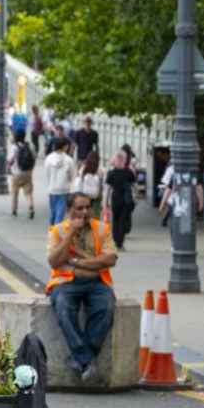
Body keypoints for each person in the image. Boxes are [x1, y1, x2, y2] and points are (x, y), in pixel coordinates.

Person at [45, 191, 118, 381]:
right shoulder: (57, 231)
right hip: (65, 282)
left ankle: (81, 358)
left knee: (106, 307)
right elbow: (54, 262)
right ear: (69, 210)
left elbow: (110, 259)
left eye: (88, 207)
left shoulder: (102, 229)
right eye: (79, 208)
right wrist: (70, 234)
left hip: (97, 281)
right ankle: (87, 359)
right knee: (63, 306)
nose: (85, 212)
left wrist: (76, 261)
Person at [102, 150, 138, 250]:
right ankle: (120, 243)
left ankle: (115, 241)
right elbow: (135, 186)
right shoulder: (129, 172)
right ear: (124, 160)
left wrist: (105, 203)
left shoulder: (111, 173)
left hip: (115, 199)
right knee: (122, 221)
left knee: (116, 221)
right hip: (126, 200)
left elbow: (107, 190)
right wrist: (135, 198)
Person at [45, 137, 75, 226]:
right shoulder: (69, 160)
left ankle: (52, 229)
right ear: (65, 147)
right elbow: (72, 176)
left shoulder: (49, 158)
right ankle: (57, 231)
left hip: (52, 188)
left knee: (53, 212)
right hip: (64, 189)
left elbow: (47, 173)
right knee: (60, 214)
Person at [11, 132, 36, 219]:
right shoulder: (30, 146)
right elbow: (34, 157)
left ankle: (14, 210)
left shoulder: (14, 147)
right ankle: (30, 207)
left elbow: (10, 159)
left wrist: (9, 166)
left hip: (16, 173)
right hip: (27, 172)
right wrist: (31, 169)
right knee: (28, 193)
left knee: (14, 193)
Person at [75, 151, 102, 215]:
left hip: (84, 194)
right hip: (95, 197)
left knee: (83, 212)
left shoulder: (83, 168)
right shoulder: (100, 170)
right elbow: (101, 185)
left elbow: (79, 180)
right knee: (94, 214)